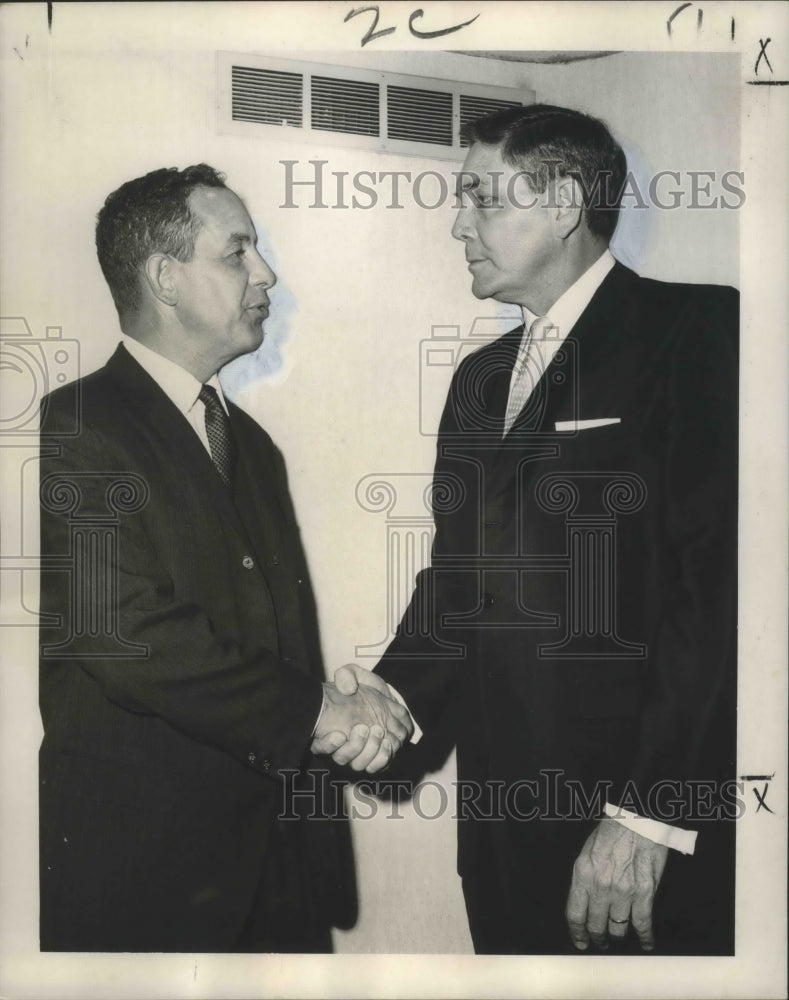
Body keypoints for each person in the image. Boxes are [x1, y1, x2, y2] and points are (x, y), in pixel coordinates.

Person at [318, 104, 738, 955]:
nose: (455, 224)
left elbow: (719, 592)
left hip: (637, 845)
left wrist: (648, 815)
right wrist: (388, 704)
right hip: (503, 836)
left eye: (480, 196)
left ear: (564, 202)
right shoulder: (479, 377)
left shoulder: (698, 332)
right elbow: (457, 583)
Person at [38, 164, 413, 953]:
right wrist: (323, 713)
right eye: (237, 252)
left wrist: (344, 708)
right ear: (165, 278)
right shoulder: (72, 427)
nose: (265, 274)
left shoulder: (253, 445)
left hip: (279, 874)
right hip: (145, 885)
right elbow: (125, 634)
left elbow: (272, 642)